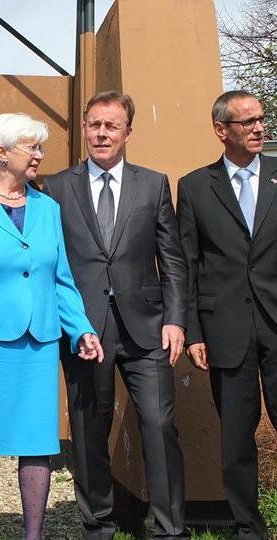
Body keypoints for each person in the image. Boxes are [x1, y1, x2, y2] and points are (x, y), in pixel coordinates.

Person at [0, 112, 103, 540]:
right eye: (33, 147)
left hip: (39, 344)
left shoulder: (48, 208)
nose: (40, 156)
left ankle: (34, 534)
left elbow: (60, 278)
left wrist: (81, 329)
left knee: (37, 442)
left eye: (40, 147)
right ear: (2, 152)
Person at [44, 91, 189, 539]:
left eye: (111, 125)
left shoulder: (154, 184)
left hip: (148, 326)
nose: (101, 133)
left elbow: (173, 259)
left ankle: (169, 528)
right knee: (90, 430)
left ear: (128, 131)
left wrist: (176, 318)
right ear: (84, 128)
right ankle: (98, 525)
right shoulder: (56, 187)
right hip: (85, 329)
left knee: (160, 424)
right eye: (94, 124)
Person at [177, 90, 277, 540]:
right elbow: (187, 264)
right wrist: (194, 330)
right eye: (248, 122)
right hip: (225, 328)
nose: (260, 127)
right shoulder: (196, 187)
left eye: (262, 119)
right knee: (236, 439)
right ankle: (247, 528)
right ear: (222, 130)